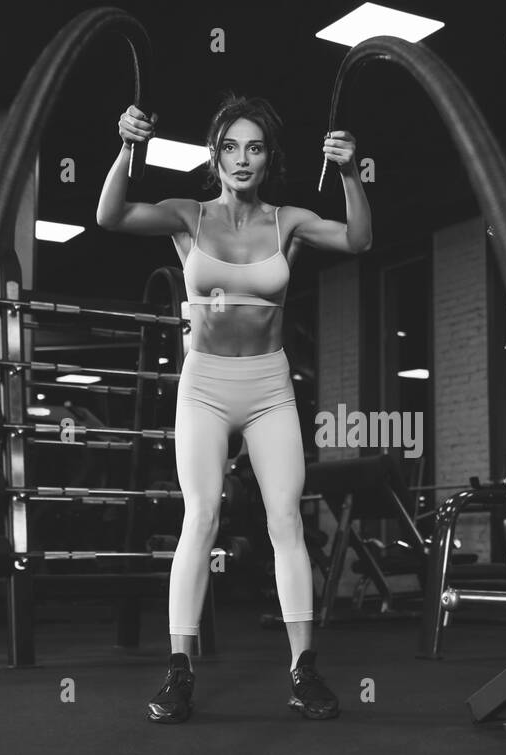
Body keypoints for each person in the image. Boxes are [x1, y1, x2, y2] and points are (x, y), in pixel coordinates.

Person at [96, 93, 372, 723]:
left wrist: (353, 173)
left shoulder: (289, 221)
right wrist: (127, 147)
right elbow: (109, 213)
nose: (241, 159)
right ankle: (179, 669)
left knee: (285, 523)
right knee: (202, 517)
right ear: (213, 156)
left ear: (268, 157)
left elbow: (359, 240)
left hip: (270, 386)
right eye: (229, 147)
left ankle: (303, 669)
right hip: (205, 386)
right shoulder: (187, 215)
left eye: (254, 147)